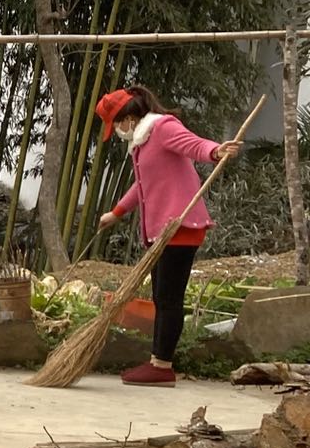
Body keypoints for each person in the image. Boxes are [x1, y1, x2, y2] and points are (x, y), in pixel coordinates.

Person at [94, 86, 243, 386]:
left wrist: (216, 150)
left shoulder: (162, 127)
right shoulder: (143, 142)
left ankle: (162, 367)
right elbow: (143, 185)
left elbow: (193, 145)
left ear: (129, 117)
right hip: (163, 231)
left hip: (180, 227)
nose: (119, 131)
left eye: (117, 125)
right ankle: (157, 362)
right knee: (163, 298)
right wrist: (117, 213)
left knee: (169, 298)